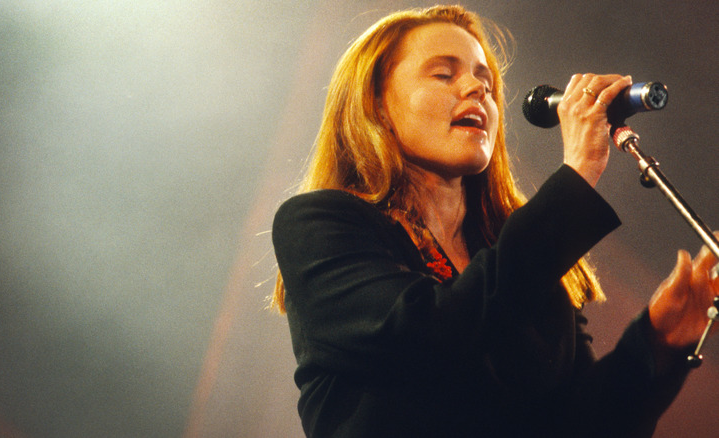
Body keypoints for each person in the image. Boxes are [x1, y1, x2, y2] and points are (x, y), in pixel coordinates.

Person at [270, 4, 718, 437]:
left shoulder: (513, 248)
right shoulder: (321, 224)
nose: (477, 88)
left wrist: (658, 340)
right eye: (444, 74)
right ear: (377, 105)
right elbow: (428, 334)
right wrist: (577, 174)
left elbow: (580, 423)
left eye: (485, 80)